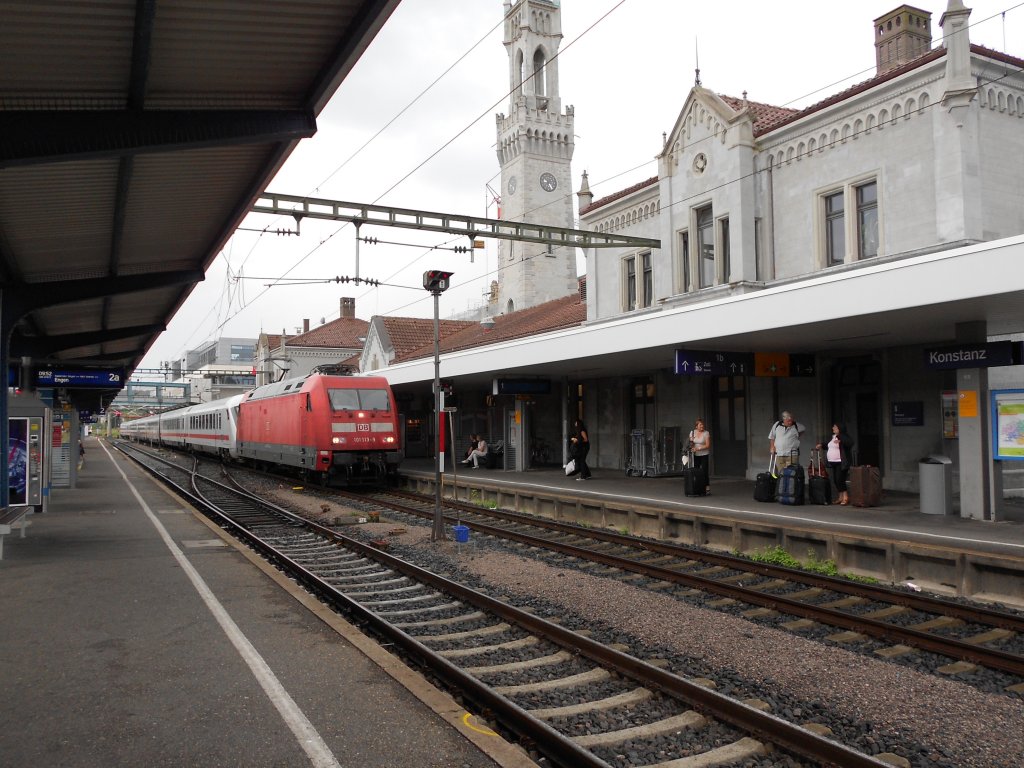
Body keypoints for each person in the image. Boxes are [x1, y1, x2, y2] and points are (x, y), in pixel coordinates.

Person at [817, 422, 855, 505]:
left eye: (835, 427)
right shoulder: (833, 437)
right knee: (835, 480)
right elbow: (829, 445)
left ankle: (845, 497)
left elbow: (850, 443)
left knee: (840, 479)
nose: (833, 428)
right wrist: (822, 445)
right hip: (833, 462)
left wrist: (841, 439)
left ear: (839, 429)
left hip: (841, 462)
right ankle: (840, 497)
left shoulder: (844, 436)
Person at [688, 418, 711, 495]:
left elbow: (708, 445)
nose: (702, 426)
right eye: (700, 425)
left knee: (704, 471)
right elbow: (691, 443)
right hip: (695, 455)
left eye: (703, 425)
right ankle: (697, 487)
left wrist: (698, 448)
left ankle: (707, 487)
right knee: (696, 471)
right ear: (696, 426)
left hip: (704, 454)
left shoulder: (706, 433)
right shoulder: (692, 433)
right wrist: (692, 446)